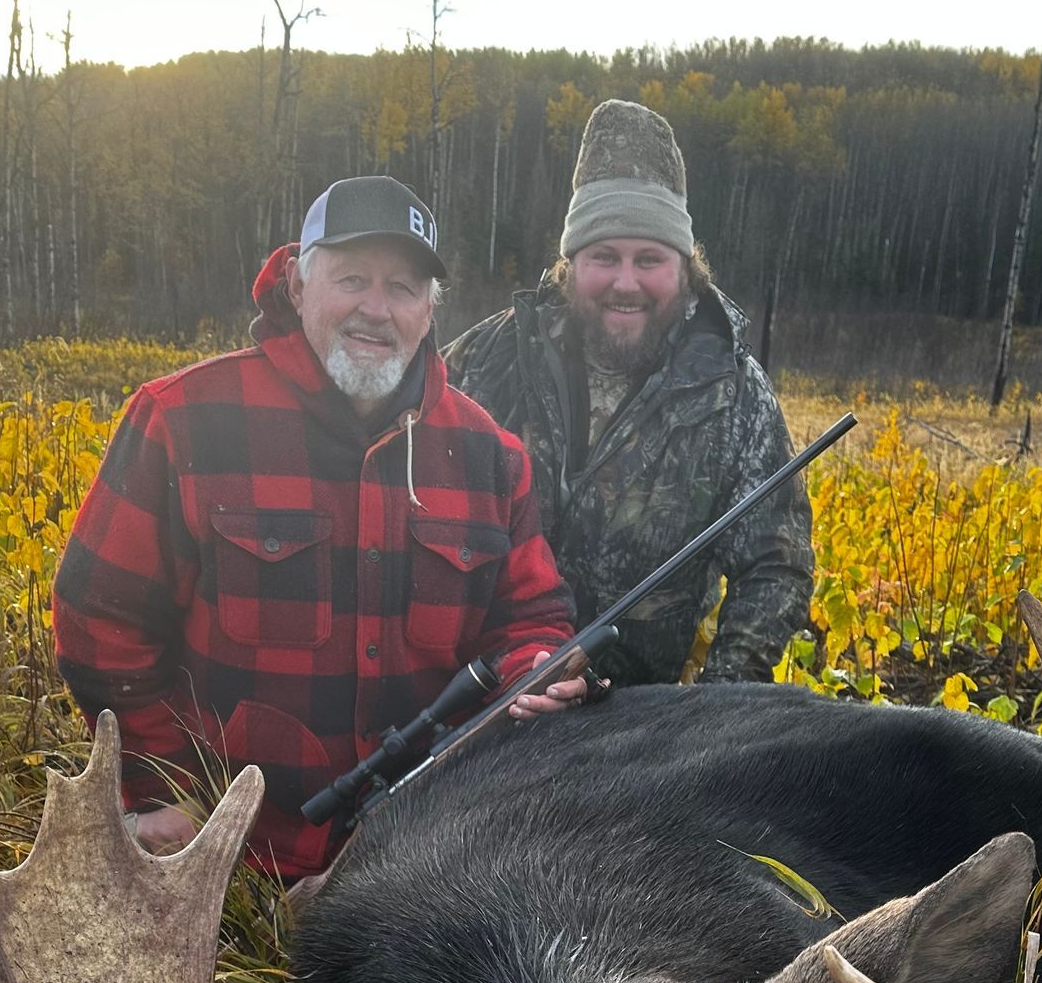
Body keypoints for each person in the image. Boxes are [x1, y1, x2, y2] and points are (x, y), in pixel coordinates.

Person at [53, 176, 584, 881]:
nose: (376, 308)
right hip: (225, 856)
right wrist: (164, 789)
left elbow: (531, 620)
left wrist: (534, 674)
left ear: (429, 312)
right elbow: (100, 620)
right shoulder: (184, 420)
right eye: (352, 279)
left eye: (402, 288)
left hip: (426, 859)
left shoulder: (490, 457)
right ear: (298, 287)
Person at [445, 100, 812, 688]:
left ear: (685, 268)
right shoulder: (484, 361)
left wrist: (713, 713)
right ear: (570, 264)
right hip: (482, 699)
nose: (625, 282)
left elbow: (776, 566)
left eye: (649, 260)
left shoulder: (734, 394)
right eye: (604, 257)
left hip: (638, 729)